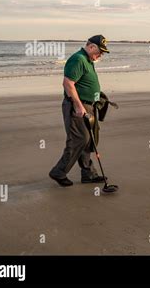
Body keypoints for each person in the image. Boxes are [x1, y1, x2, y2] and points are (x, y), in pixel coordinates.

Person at [49, 35, 110, 187]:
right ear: (91, 46)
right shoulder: (78, 59)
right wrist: (78, 106)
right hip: (77, 106)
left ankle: (88, 174)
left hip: (87, 105)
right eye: (100, 51)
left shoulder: (88, 60)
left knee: (88, 140)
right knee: (79, 139)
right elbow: (68, 83)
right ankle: (59, 171)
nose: (101, 54)